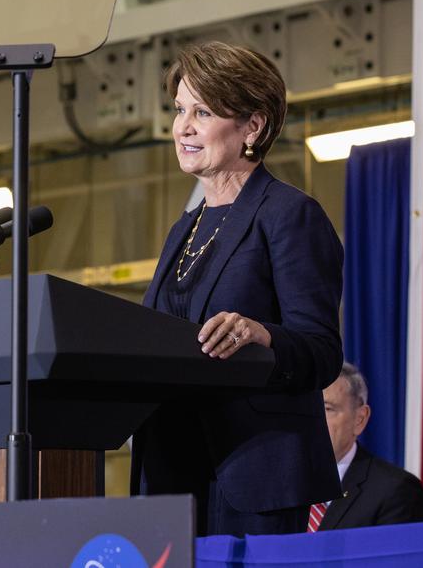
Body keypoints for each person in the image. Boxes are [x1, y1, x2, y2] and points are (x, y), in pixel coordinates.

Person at [131, 41, 344, 537]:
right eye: (180, 110)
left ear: (253, 126)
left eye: (202, 111)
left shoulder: (289, 214)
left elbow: (321, 351)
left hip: (253, 473)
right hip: (173, 471)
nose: (182, 127)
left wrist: (262, 334)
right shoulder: (182, 229)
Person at [312, 362, 423, 529]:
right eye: (306, 410)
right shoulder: (276, 483)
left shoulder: (396, 491)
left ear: (360, 419)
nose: (312, 421)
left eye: (327, 409)